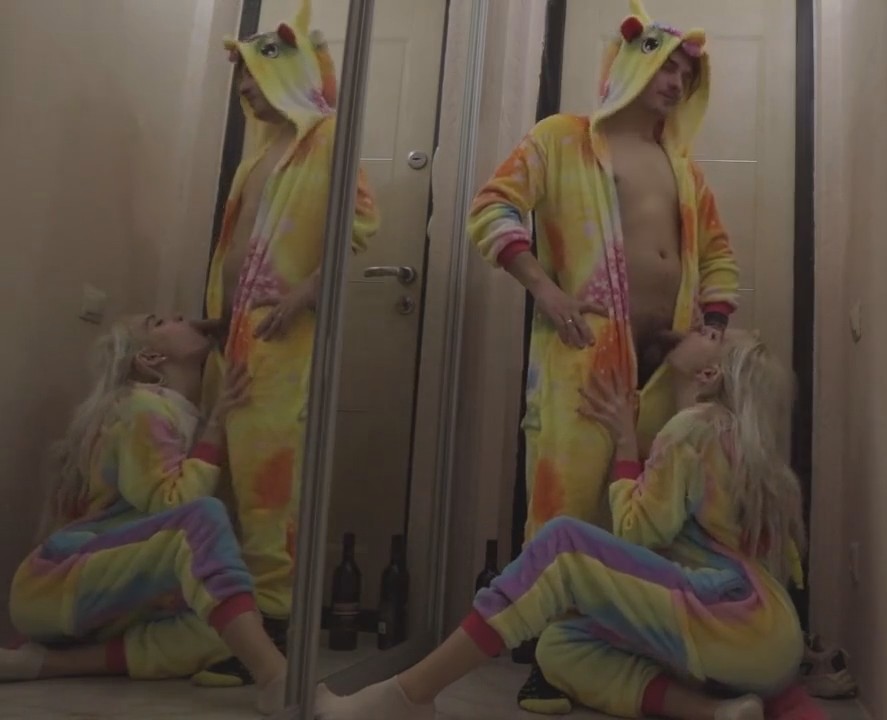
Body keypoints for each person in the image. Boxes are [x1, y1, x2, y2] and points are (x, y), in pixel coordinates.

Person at [317, 331, 825, 720]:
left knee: (563, 544)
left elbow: (637, 532)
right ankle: (718, 712)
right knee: (560, 647)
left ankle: (409, 694)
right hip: (767, 643)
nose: (704, 328)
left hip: (732, 622)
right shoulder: (747, 451)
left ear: (710, 373)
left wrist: (624, 445)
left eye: (716, 335)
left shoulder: (693, 426)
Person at [466, 0, 739, 709]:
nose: (675, 82)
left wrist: (710, 327)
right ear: (629, 63)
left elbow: (717, 255)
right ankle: (548, 653)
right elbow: (492, 208)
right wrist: (545, 289)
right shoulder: (562, 139)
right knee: (566, 499)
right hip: (583, 352)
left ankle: (619, 647)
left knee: (654, 507)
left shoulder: (683, 169)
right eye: (665, 67)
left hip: (667, 366)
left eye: (686, 74)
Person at [197, 0, 380, 685]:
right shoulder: (257, 155)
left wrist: (304, 295)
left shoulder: (327, 138)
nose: (245, 87)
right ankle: (240, 621)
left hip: (282, 333)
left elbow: (361, 223)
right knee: (235, 477)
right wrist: (218, 318)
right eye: (240, 77)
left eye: (257, 73)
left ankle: (274, 625)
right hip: (236, 332)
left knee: (272, 477)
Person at [1, 315, 288, 716]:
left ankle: (48, 663)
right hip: (54, 582)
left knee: (230, 627)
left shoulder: (173, 413)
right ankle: (275, 678)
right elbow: (175, 505)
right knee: (205, 517)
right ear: (151, 357)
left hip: (92, 598)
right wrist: (217, 426)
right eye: (161, 321)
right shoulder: (140, 406)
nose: (184, 318)